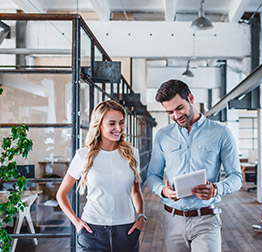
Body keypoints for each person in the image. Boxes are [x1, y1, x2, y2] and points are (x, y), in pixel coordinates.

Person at [147, 79, 242, 252]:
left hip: (206, 219)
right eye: (170, 112)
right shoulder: (162, 136)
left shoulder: (221, 133)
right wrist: (163, 190)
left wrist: (216, 188)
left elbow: (236, 177)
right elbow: (152, 175)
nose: (176, 116)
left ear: (190, 98)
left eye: (179, 108)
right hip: (172, 220)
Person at [57, 100, 146, 252]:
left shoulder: (132, 154)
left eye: (121, 123)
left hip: (127, 231)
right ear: (99, 125)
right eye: (112, 123)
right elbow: (62, 194)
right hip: (92, 233)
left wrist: (141, 216)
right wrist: (76, 222)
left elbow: (135, 191)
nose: (118, 128)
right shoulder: (84, 155)